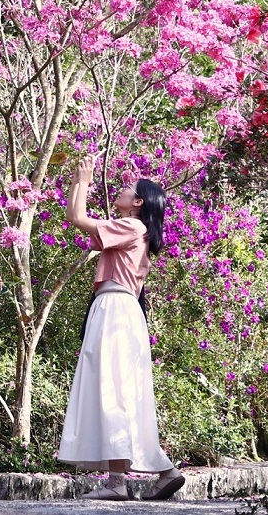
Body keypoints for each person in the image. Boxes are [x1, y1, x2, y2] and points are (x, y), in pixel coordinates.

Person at [56, 154, 186, 502]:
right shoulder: (132, 230)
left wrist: (82, 180)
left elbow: (77, 218)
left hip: (115, 308)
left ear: (139, 202)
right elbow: (76, 218)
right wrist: (77, 182)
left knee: (113, 389)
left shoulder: (133, 226)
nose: (122, 190)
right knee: (121, 390)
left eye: (128, 189)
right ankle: (160, 472)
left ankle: (121, 481)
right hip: (119, 309)